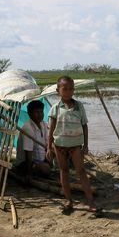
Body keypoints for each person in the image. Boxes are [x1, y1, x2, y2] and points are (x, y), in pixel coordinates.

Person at [46, 76, 98, 214]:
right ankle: (69, 200)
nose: (68, 91)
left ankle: (90, 201)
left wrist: (86, 145)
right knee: (64, 171)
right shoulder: (55, 108)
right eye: (65, 89)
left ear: (74, 90)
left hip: (75, 145)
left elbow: (84, 125)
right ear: (58, 91)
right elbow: (51, 129)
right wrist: (48, 147)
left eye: (71, 89)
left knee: (81, 171)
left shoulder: (79, 106)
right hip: (59, 145)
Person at [15, 100, 51, 184]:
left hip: (40, 159)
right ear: (30, 113)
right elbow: (28, 153)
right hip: (26, 163)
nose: (40, 114)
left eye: (41, 112)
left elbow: (48, 143)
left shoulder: (44, 124)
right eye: (37, 112)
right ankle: (33, 171)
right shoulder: (28, 128)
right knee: (46, 170)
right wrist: (29, 173)